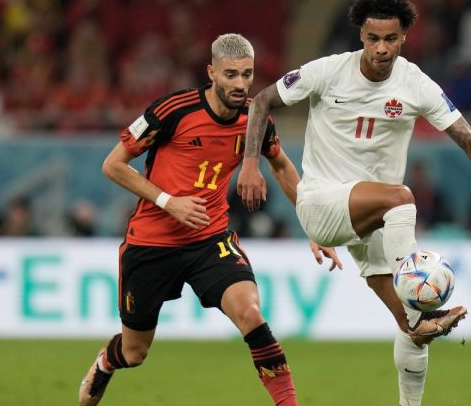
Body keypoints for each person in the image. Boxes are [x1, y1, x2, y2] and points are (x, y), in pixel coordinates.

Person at [237, 0, 471, 406]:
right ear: (360, 37)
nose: (381, 49)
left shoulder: (416, 84)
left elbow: (469, 141)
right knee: (402, 197)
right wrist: (251, 164)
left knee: (415, 329)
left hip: (376, 220)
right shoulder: (327, 72)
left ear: (404, 38)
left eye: (391, 39)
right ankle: (415, 276)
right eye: (372, 39)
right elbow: (261, 102)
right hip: (323, 203)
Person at [79, 33, 337, 406]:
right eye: (230, 75)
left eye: (247, 75)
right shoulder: (174, 110)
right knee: (134, 353)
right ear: (211, 72)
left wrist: (313, 224)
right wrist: (169, 201)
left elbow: (280, 164)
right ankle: (106, 362)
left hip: (209, 240)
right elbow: (113, 165)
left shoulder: (255, 117)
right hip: (152, 243)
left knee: (250, 314)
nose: (240, 84)